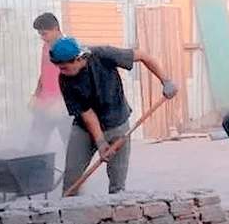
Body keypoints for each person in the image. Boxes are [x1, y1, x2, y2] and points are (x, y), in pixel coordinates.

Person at [50, 36, 177, 195]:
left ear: (77, 59)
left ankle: (115, 216)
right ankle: (71, 216)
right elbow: (87, 113)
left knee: (118, 187)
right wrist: (101, 142)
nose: (61, 72)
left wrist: (166, 81)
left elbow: (144, 57)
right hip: (84, 130)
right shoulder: (66, 81)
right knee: (71, 183)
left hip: (118, 126)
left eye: (64, 68)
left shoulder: (104, 54)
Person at [26, 13, 70, 151]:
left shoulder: (67, 47)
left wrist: (62, 102)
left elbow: (75, 79)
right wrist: (36, 95)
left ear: (56, 28)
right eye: (40, 35)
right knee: (34, 145)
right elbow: (44, 74)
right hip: (44, 105)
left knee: (70, 145)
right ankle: (34, 171)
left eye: (44, 34)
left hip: (63, 108)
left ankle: (74, 172)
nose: (42, 38)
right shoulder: (46, 47)